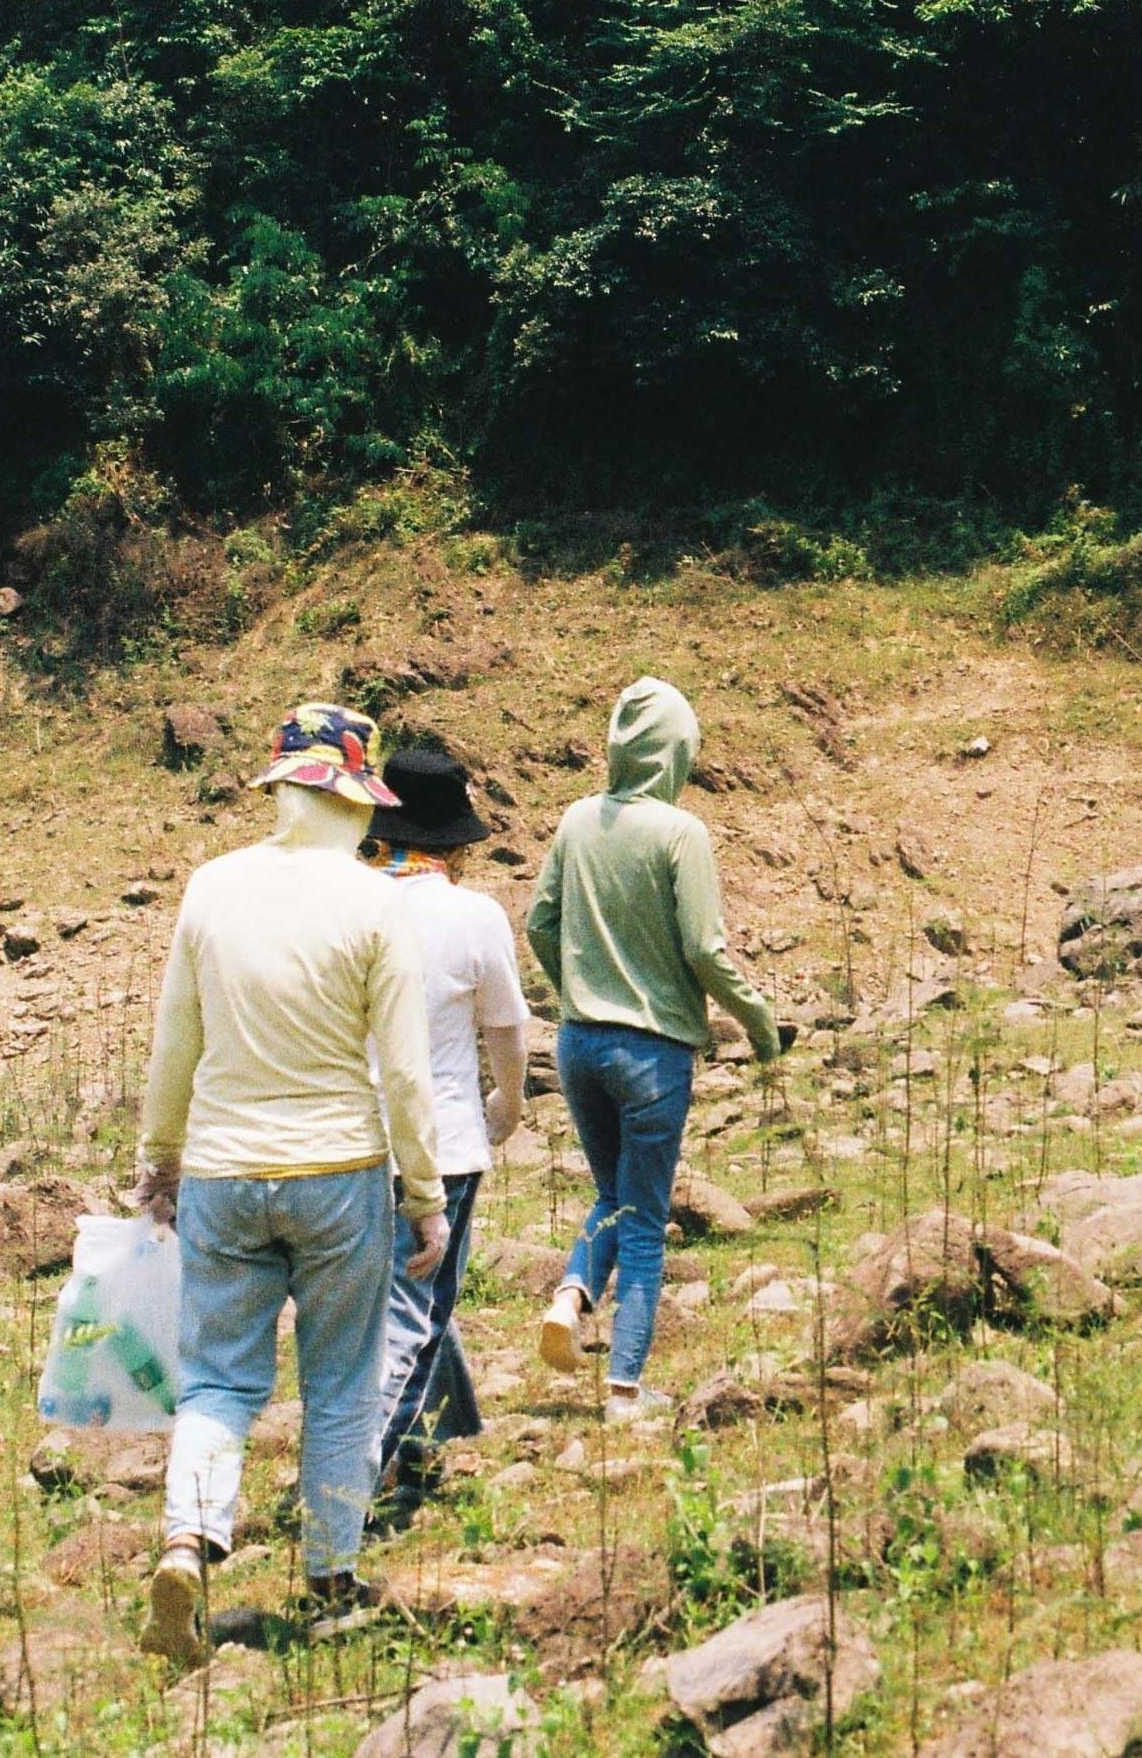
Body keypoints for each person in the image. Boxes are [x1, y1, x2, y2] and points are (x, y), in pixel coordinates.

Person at [136, 705, 447, 1667]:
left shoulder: (210, 886)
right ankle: (330, 1578)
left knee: (220, 1378)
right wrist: (425, 1193)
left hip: (224, 1174)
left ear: (281, 788)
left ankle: (187, 1539)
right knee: (343, 1383)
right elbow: (401, 1070)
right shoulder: (375, 901)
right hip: (337, 1172)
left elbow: (175, 1037)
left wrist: (160, 1156)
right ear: (349, 797)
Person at [526, 677, 782, 1426]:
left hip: (578, 1045)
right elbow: (705, 946)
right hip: (652, 1053)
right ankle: (625, 1391)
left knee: (612, 1195)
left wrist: (579, 983)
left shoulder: (575, 821)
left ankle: (570, 1296)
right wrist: (757, 1019)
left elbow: (540, 923)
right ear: (675, 751)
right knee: (644, 1219)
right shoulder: (681, 832)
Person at [356, 744, 527, 1524]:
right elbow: (505, 1028)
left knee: (396, 1301)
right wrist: (510, 1102)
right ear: (454, 843)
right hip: (445, 1137)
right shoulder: (473, 914)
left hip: (350, 1138)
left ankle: (436, 1442)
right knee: (414, 1313)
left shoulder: (349, 901)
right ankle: (351, 1485)